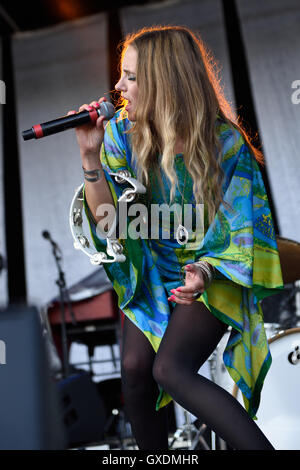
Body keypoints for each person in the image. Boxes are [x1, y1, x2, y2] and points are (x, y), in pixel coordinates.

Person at [68, 26, 284, 450]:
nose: (118, 86)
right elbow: (111, 224)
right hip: (153, 269)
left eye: (130, 76)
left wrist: (203, 271)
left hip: (213, 268)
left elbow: (241, 233)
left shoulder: (226, 144)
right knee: (132, 368)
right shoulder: (119, 136)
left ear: (164, 80)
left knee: (170, 369)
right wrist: (89, 155)